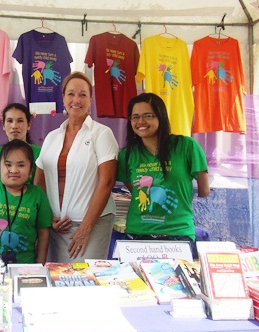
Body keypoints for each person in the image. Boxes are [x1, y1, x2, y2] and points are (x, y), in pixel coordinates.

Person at [34, 71, 119, 263]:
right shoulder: (51, 137)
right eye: (71, 94)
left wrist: (85, 228)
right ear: (63, 97)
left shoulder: (102, 134)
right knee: (53, 281)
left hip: (92, 225)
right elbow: (39, 180)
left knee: (84, 282)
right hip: (55, 227)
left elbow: (107, 181)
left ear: (91, 99)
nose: (76, 100)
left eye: (83, 95)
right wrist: (48, 217)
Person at [117, 92, 210, 244]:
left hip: (178, 234)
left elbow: (204, 190)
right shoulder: (126, 154)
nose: (141, 121)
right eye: (135, 117)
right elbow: (134, 189)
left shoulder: (186, 146)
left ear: (161, 116)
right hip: (137, 234)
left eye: (148, 115)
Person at [0, 139, 52, 264]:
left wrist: (40, 264)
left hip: (25, 267)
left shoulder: (37, 194)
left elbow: (43, 233)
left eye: (21, 165)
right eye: (8, 164)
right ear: (0, 167)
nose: (14, 170)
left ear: (31, 170)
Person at [0, 103, 40, 184]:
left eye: (20, 121)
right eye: (10, 121)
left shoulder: (40, 154)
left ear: (29, 125)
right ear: (3, 125)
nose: (14, 126)